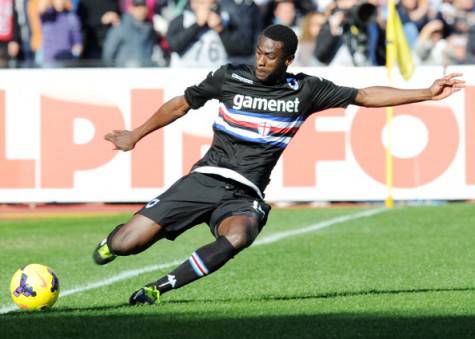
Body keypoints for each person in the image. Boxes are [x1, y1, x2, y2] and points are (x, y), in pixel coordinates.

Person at [92, 24, 465, 305]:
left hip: (244, 194)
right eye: (259, 52)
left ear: (288, 59)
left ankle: (159, 289)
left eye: (270, 56)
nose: (260, 60)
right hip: (204, 179)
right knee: (126, 244)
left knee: (239, 236)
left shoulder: (306, 90)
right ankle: (113, 242)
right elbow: (182, 103)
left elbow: (364, 96)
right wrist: (136, 135)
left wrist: (427, 94)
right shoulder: (230, 76)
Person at [102, 0, 158, 67]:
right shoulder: (120, 28)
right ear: (130, 9)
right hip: (122, 73)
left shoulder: (150, 29)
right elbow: (108, 54)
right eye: (137, 7)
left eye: (143, 7)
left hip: (144, 73)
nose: (141, 10)